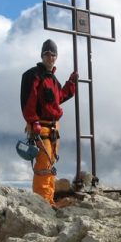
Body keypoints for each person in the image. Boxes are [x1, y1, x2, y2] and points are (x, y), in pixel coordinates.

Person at [20, 39, 78, 206]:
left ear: (56, 57)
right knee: (44, 166)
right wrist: (32, 121)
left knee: (50, 164)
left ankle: (49, 200)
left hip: (53, 129)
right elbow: (28, 100)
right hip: (42, 127)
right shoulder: (33, 75)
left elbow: (59, 97)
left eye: (53, 54)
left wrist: (71, 83)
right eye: (47, 54)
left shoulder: (52, 79)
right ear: (42, 55)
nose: (50, 57)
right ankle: (43, 203)